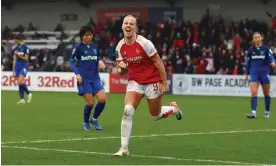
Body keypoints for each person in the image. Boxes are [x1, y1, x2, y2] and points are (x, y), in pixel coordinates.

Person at [113, 15, 183, 156]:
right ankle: (124, 148)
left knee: (155, 116)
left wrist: (164, 82)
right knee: (127, 110)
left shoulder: (145, 43)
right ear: (122, 26)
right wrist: (121, 67)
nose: (128, 26)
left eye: (131, 24)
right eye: (126, 23)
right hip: (135, 82)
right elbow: (121, 70)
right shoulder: (119, 46)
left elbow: (158, 62)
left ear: (135, 27)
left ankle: (174, 108)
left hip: (152, 81)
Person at [69, 25, 107, 131]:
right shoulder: (78, 48)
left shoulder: (95, 47)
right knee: (90, 103)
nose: (89, 37)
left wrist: (99, 61)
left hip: (95, 78)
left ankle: (94, 119)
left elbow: (98, 57)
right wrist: (77, 74)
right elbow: (71, 62)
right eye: (86, 35)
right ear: (82, 37)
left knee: (103, 99)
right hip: (84, 79)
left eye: (90, 35)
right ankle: (85, 122)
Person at [245, 32, 275, 119]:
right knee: (253, 92)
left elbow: (271, 56)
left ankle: (267, 111)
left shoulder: (265, 48)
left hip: (264, 73)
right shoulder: (251, 50)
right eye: (255, 37)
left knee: (266, 93)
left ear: (261, 38)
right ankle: (253, 112)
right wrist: (246, 74)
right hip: (254, 73)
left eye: (259, 37)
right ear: (253, 40)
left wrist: (273, 62)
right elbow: (249, 63)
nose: (257, 38)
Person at [12, 35, 32, 104]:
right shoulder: (16, 48)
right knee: (19, 83)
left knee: (20, 82)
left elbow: (26, 59)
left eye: (15, 41)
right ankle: (22, 99)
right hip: (17, 66)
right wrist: (13, 70)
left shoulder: (26, 48)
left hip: (23, 66)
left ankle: (29, 93)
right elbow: (14, 60)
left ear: (19, 40)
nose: (15, 42)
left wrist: (18, 55)